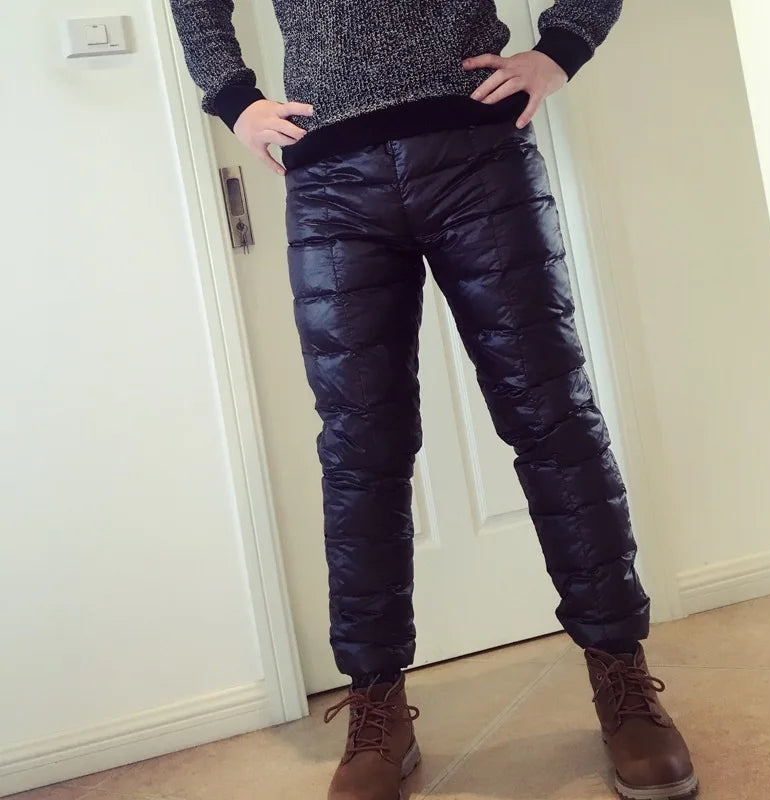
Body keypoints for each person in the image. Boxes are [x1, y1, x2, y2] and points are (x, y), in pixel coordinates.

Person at [169, 2, 698, 799]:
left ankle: (622, 680)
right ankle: (377, 705)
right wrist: (234, 99)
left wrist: (561, 50)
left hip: (478, 157)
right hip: (332, 184)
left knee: (553, 422)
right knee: (360, 453)